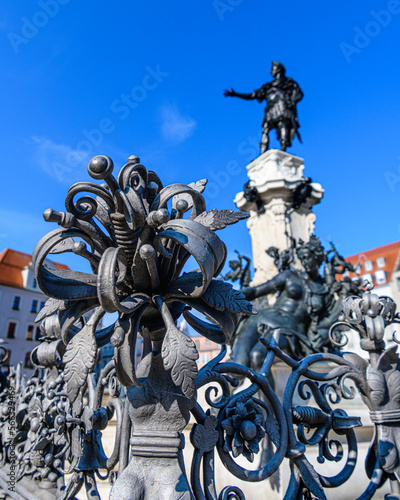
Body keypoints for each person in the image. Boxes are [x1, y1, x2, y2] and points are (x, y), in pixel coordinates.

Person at [231, 237, 338, 370]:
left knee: (258, 356)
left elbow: (328, 320)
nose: (305, 262)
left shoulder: (324, 290)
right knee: (238, 367)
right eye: (302, 258)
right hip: (261, 318)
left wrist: (324, 334)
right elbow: (257, 290)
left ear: (317, 257)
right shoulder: (290, 276)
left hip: (289, 329)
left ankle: (267, 391)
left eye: (307, 257)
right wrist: (229, 296)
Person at [224, 61, 304, 153]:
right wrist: (236, 94)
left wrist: (293, 101)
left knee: (282, 124)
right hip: (270, 109)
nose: (271, 72)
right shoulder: (267, 86)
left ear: (278, 69)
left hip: (282, 106)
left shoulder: (288, 82)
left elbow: (299, 93)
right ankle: (262, 153)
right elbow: (252, 95)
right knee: (265, 128)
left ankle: (283, 149)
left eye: (272, 69)